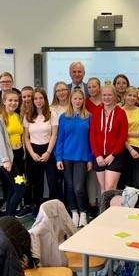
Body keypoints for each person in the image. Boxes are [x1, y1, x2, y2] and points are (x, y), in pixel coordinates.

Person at [56, 89, 93, 227]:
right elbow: (60, 139)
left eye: (80, 99)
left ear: (83, 100)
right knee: (69, 186)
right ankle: (74, 212)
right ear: (70, 100)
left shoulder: (89, 116)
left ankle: (83, 212)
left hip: (81, 157)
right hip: (66, 157)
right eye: (75, 99)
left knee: (79, 187)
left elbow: (91, 140)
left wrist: (90, 159)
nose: (77, 101)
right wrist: (58, 157)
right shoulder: (64, 117)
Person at [24, 87, 60, 213]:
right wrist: (32, 153)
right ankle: (38, 211)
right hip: (33, 151)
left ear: (45, 99)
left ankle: (54, 210)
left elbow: (54, 135)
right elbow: (26, 137)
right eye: (35, 98)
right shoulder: (28, 115)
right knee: (36, 184)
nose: (38, 101)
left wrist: (48, 152)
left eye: (41, 98)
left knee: (52, 182)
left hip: (49, 150)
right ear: (33, 101)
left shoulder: (52, 114)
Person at [0, 90, 26, 217]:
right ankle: (9, 218)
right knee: (20, 187)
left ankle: (8, 217)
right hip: (8, 160)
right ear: (4, 102)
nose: (13, 103)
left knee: (14, 188)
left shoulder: (17, 116)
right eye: (10, 100)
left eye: (16, 100)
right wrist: (6, 159)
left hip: (18, 157)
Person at [89, 84, 128, 193]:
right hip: (99, 156)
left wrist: (113, 155)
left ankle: (113, 210)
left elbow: (123, 136)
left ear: (115, 96)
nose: (107, 97)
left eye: (110, 95)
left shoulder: (121, 113)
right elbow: (92, 135)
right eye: (104, 95)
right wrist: (97, 155)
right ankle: (104, 210)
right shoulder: (96, 112)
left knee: (110, 187)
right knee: (103, 189)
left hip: (115, 156)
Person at [121, 87, 139, 190]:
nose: (132, 98)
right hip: (124, 148)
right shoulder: (119, 111)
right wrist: (130, 149)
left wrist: (125, 133)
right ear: (124, 96)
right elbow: (118, 135)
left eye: (134, 96)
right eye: (129, 95)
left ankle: (138, 205)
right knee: (126, 181)